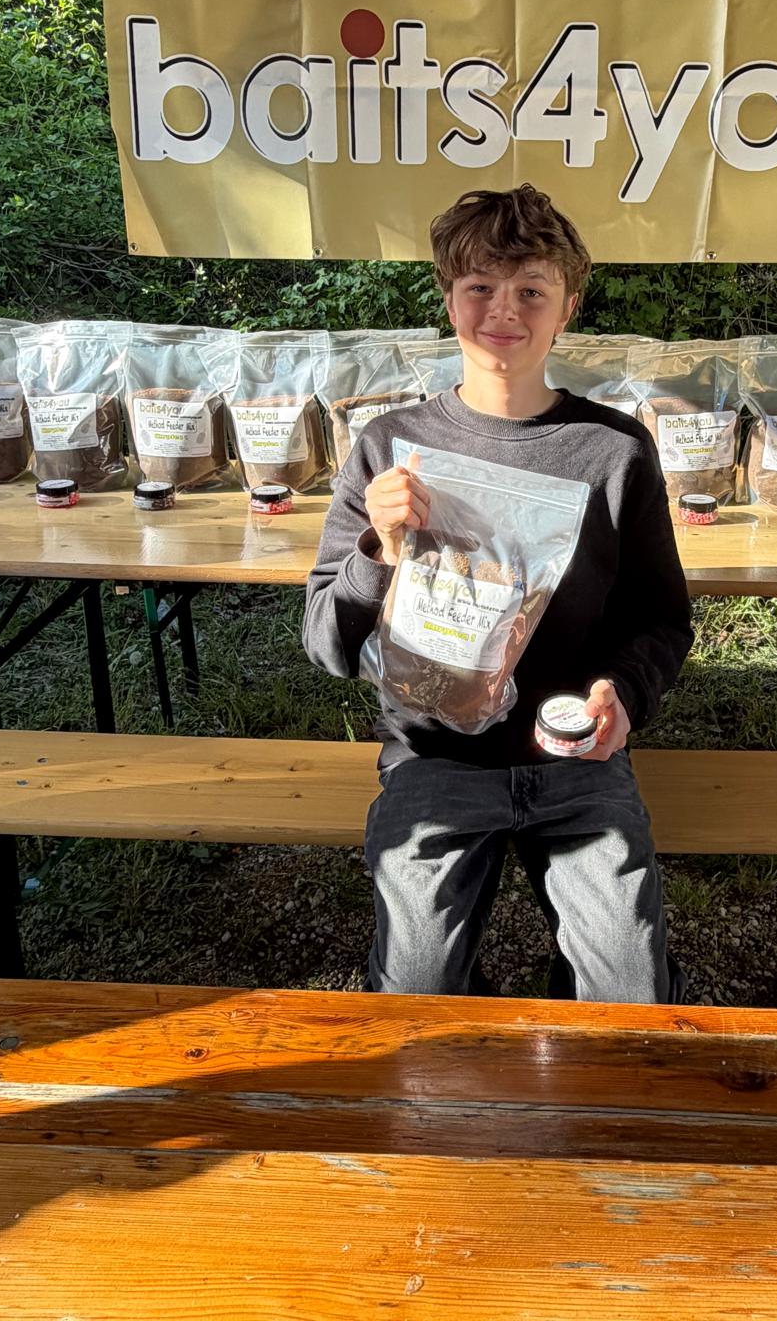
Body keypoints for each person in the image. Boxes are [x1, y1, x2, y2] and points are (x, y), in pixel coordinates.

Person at [303, 185, 693, 1002]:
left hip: (575, 758)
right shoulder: (390, 448)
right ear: (448, 298)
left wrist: (623, 696)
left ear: (568, 307)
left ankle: (572, 1045)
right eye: (480, 286)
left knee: (631, 993)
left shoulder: (613, 451)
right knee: (415, 994)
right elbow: (327, 644)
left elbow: (661, 618)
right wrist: (379, 549)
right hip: (435, 760)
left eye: (531, 290)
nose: (503, 311)